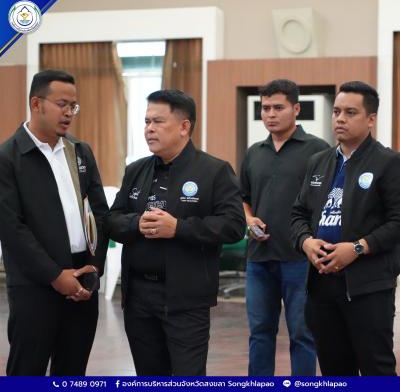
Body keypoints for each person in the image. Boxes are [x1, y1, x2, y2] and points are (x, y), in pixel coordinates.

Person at [108, 89, 245, 376]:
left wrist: (179, 228)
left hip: (187, 298)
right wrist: (136, 224)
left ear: (184, 126)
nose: (149, 129)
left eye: (158, 122)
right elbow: (112, 220)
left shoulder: (214, 171)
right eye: (146, 122)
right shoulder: (136, 170)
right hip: (139, 298)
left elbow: (233, 226)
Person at [0, 69, 108, 375]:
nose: (69, 113)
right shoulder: (8, 158)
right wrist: (55, 275)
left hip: (82, 280)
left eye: (73, 106)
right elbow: (11, 228)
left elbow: (100, 213)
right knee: (27, 372)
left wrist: (93, 267)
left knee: (73, 371)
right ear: (36, 104)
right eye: (62, 104)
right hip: (35, 285)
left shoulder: (79, 152)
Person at [291, 81, 400, 375]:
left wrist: (357, 248)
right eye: (336, 111)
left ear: (371, 119)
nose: (340, 118)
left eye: (350, 113)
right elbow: (298, 214)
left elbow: (397, 222)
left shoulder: (389, 163)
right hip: (321, 285)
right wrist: (306, 242)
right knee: (335, 371)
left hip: (368, 287)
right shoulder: (318, 162)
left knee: (376, 370)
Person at [240, 79, 329, 376]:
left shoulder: (318, 150)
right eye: (265, 108)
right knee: (259, 333)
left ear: (296, 109)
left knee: (303, 334)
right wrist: (249, 219)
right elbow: (243, 199)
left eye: (278, 107)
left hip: (300, 259)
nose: (270, 114)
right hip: (259, 259)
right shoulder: (254, 152)